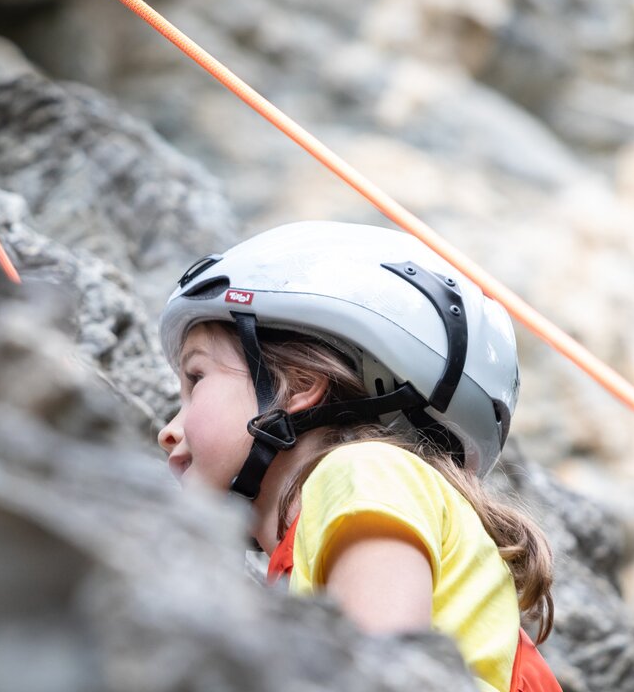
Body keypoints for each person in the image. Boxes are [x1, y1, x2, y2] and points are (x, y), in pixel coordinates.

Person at [154, 221, 561, 692]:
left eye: (196, 379)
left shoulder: (363, 472)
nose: (169, 431)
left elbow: (378, 676)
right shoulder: (308, 549)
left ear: (301, 386)